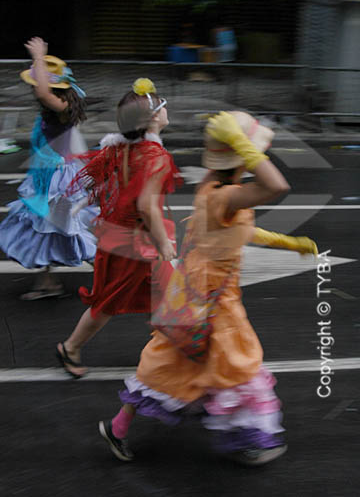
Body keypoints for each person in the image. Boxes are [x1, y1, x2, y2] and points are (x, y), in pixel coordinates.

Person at [98, 111, 318, 466]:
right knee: (239, 364)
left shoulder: (213, 190)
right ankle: (249, 437)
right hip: (215, 299)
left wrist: (287, 242)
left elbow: (238, 232)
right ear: (242, 155)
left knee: (172, 361)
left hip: (195, 294)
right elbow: (277, 186)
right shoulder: (227, 196)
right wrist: (242, 142)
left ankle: (119, 427)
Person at [56, 78, 182, 379]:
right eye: (163, 106)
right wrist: (164, 243)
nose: (166, 110)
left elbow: (106, 183)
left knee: (172, 295)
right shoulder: (156, 157)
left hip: (120, 236)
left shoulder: (121, 148)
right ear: (153, 119)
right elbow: (147, 206)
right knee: (109, 303)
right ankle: (70, 347)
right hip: (137, 244)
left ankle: (177, 353)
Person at [0, 37, 97, 300]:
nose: (34, 89)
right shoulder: (49, 110)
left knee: (67, 228)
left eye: (36, 83)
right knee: (42, 228)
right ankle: (48, 282)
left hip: (59, 181)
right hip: (45, 178)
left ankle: (107, 275)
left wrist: (39, 56)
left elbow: (44, 92)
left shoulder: (62, 109)